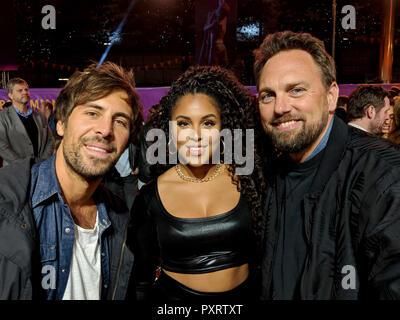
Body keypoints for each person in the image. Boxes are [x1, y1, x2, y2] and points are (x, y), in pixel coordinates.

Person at [253, 30, 400, 299]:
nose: (280, 107)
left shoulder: (383, 173)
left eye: (296, 90)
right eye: (267, 95)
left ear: (331, 96)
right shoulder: (267, 174)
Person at [0, 62, 143, 300]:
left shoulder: (120, 217)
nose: (105, 130)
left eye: (120, 121)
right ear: (61, 123)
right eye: (92, 113)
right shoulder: (8, 205)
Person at [131, 65, 265, 301]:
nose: (196, 135)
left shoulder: (248, 180)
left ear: (224, 127)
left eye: (208, 123)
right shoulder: (150, 197)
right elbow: (141, 278)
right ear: (170, 130)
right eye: (183, 124)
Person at [0, 78, 54, 167]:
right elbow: (2, 146)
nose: (25, 92)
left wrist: (42, 161)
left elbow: (50, 140)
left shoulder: (40, 116)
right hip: (14, 171)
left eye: (26, 89)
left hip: (40, 168)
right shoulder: (2, 117)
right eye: (20, 90)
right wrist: (23, 165)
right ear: (10, 95)